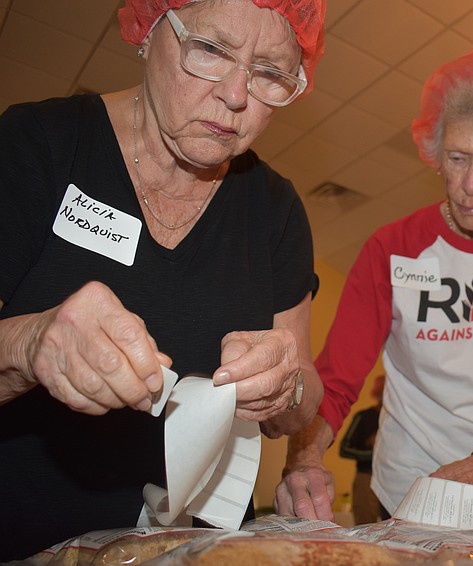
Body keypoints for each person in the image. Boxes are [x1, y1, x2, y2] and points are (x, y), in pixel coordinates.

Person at [0, 0, 325, 560]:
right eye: (210, 50)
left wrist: (286, 381)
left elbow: (302, 403)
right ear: (149, 32)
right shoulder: (35, 145)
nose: (236, 94)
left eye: (270, 73)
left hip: (196, 548)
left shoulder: (277, 211)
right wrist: (28, 345)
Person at [274, 50, 473, 520]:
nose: (471, 184)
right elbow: (337, 380)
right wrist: (303, 458)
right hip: (413, 488)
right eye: (458, 158)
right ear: (436, 155)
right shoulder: (391, 249)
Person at [338, 374, 385, 525]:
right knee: (365, 526)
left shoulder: (402, 421)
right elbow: (344, 448)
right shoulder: (364, 417)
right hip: (366, 478)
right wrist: (375, 455)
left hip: (393, 479)